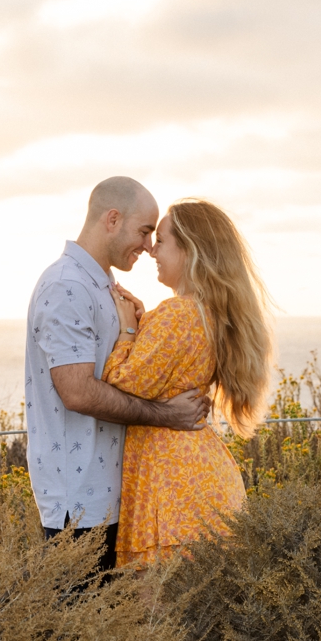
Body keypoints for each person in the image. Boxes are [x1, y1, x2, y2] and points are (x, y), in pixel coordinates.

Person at [24, 177, 211, 575]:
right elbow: (77, 392)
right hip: (79, 503)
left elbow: (121, 373)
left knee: (117, 630)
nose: (148, 245)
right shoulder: (66, 287)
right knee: (81, 631)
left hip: (114, 495)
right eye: (144, 231)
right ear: (112, 219)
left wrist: (140, 330)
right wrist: (167, 415)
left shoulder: (102, 285)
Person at [103, 200, 272, 567]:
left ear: (190, 251)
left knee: (157, 617)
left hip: (171, 489)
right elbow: (167, 369)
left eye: (161, 241)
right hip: (199, 480)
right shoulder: (206, 311)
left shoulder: (178, 313)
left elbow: (121, 383)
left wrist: (129, 331)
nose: (151, 250)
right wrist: (148, 323)